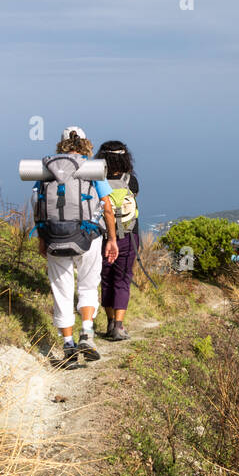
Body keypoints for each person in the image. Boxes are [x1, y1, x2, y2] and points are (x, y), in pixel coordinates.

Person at [36, 126, 117, 366]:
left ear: (61, 145)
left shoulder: (48, 169)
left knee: (61, 290)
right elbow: (108, 208)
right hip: (88, 237)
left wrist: (42, 238)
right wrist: (112, 239)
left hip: (53, 236)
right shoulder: (90, 168)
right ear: (85, 143)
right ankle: (87, 334)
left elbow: (37, 204)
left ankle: (68, 347)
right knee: (88, 285)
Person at [97, 140, 140, 342]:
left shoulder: (96, 180)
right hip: (130, 236)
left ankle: (110, 322)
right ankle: (119, 327)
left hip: (102, 237)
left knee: (106, 279)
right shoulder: (131, 181)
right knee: (123, 279)